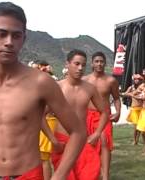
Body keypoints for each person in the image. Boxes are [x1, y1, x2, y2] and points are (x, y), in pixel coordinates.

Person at [0, 2, 86, 180]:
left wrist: (59, 175)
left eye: (16, 35)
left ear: (23, 38)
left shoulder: (41, 83)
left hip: (29, 175)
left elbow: (78, 131)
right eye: (2, 34)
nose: (9, 42)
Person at [51, 49, 108, 180]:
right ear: (67, 64)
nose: (80, 68)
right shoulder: (57, 88)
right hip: (62, 141)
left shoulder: (90, 88)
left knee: (90, 174)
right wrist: (53, 140)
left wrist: (97, 133)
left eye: (83, 65)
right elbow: (40, 116)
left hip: (83, 141)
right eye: (76, 64)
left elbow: (104, 111)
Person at [83, 51, 121, 180]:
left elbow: (116, 98)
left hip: (104, 116)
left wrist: (118, 112)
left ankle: (105, 176)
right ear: (92, 63)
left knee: (105, 142)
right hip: (87, 115)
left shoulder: (111, 80)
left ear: (105, 63)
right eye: (96, 61)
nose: (99, 64)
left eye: (102, 61)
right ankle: (91, 173)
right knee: (90, 144)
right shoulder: (85, 80)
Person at [121, 74, 144, 145]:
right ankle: (134, 140)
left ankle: (136, 140)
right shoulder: (131, 87)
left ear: (140, 80)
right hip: (134, 109)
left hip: (142, 109)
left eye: (138, 79)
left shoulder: (143, 87)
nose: (136, 80)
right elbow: (125, 94)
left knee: (140, 126)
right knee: (136, 126)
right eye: (135, 79)